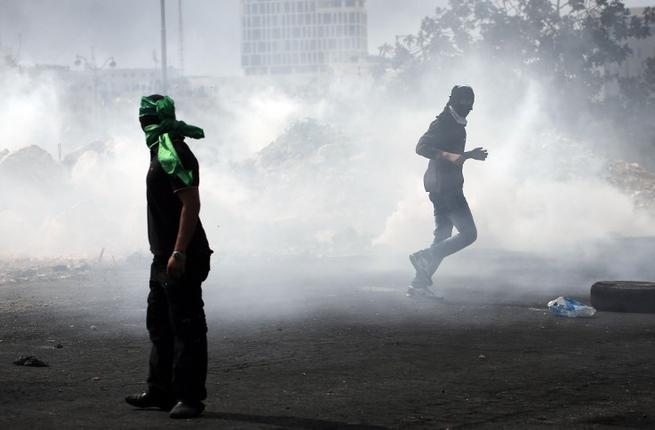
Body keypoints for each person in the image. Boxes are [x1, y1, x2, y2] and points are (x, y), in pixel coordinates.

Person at [125, 94, 213, 419]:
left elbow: (191, 204)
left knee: (187, 325)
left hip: (181, 255)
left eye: (143, 120)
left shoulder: (174, 153)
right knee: (160, 324)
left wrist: (178, 251)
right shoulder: (159, 150)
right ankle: (160, 391)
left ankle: (189, 397)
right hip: (162, 256)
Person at [408, 85, 488, 299]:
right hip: (446, 188)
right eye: (464, 102)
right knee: (469, 234)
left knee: (443, 235)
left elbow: (455, 155)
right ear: (454, 101)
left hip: (439, 185)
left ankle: (418, 285)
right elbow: (421, 147)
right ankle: (425, 255)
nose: (468, 107)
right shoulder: (443, 122)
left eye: (471, 103)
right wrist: (451, 156)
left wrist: (469, 155)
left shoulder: (454, 122)